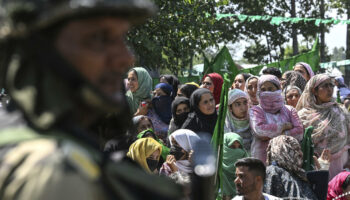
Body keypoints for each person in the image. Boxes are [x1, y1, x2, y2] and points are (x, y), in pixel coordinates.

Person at [0, 1, 182, 199]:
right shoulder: (55, 172)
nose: (126, 57)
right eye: (98, 38)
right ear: (37, 49)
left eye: (121, 38)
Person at [296, 74, 350, 179]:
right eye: (325, 86)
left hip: (343, 164)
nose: (329, 89)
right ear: (314, 91)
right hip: (317, 164)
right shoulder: (304, 115)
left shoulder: (340, 110)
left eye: (331, 85)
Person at [249, 75, 303, 164]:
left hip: (288, 158)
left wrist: (276, 133)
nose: (267, 92)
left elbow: (299, 132)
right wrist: (284, 126)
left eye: (270, 89)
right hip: (263, 158)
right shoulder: (256, 110)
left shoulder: (290, 110)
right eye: (263, 89)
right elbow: (260, 130)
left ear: (278, 89)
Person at [264, 135, 318, 199]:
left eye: (300, 150)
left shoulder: (300, 175)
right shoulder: (272, 171)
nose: (301, 154)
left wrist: (323, 169)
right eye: (296, 150)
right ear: (282, 151)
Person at [222, 133, 249, 200]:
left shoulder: (247, 161)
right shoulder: (216, 164)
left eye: (239, 147)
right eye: (233, 147)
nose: (237, 151)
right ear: (225, 148)